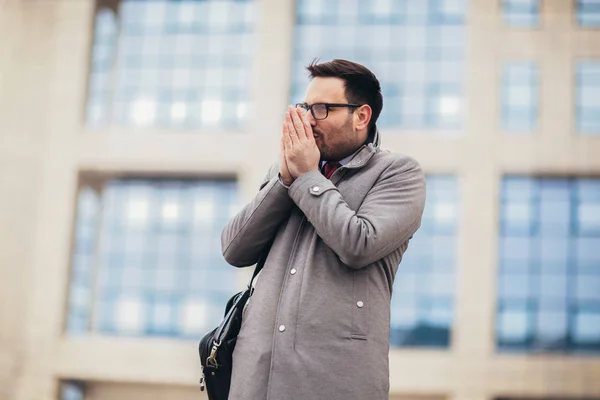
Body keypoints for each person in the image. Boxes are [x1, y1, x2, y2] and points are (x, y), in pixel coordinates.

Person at [221, 59, 426, 400]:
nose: (307, 120)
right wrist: (285, 181)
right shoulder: (287, 171)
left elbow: (359, 243)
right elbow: (234, 249)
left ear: (361, 116)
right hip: (254, 380)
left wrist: (306, 178)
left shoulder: (398, 173)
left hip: (333, 382)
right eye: (304, 107)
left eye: (321, 109)